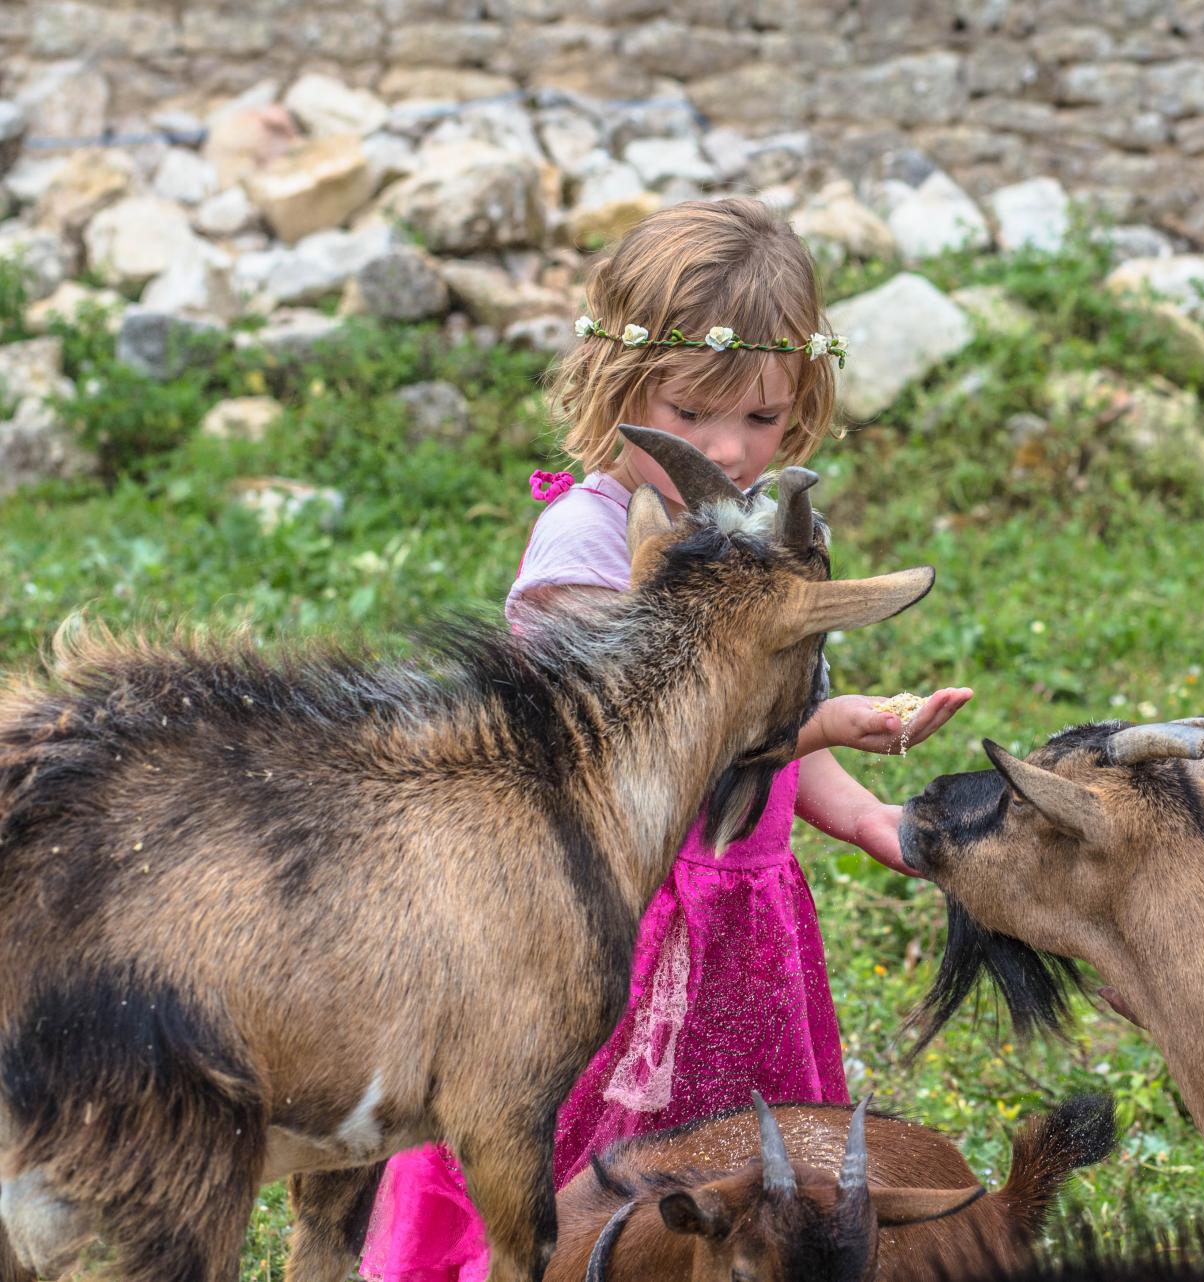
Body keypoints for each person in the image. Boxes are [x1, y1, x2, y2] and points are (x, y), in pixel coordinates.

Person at [361, 198, 971, 1280]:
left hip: (742, 916)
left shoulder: (761, 543)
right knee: (580, 1164)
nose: (731, 451)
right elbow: (645, 741)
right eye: (692, 415)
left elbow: (777, 724)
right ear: (619, 388)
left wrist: (871, 814)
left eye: (766, 421)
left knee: (734, 1181)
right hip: (605, 922)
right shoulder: (585, 546)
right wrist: (817, 722)